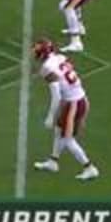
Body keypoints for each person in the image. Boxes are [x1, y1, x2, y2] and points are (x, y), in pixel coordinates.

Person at [32, 39, 100, 181]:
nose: (34, 51)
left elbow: (56, 95)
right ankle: (53, 161)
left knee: (67, 139)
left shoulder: (47, 68)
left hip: (73, 104)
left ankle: (89, 167)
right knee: (59, 130)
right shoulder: (60, 57)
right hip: (80, 98)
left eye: (37, 50)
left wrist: (50, 116)